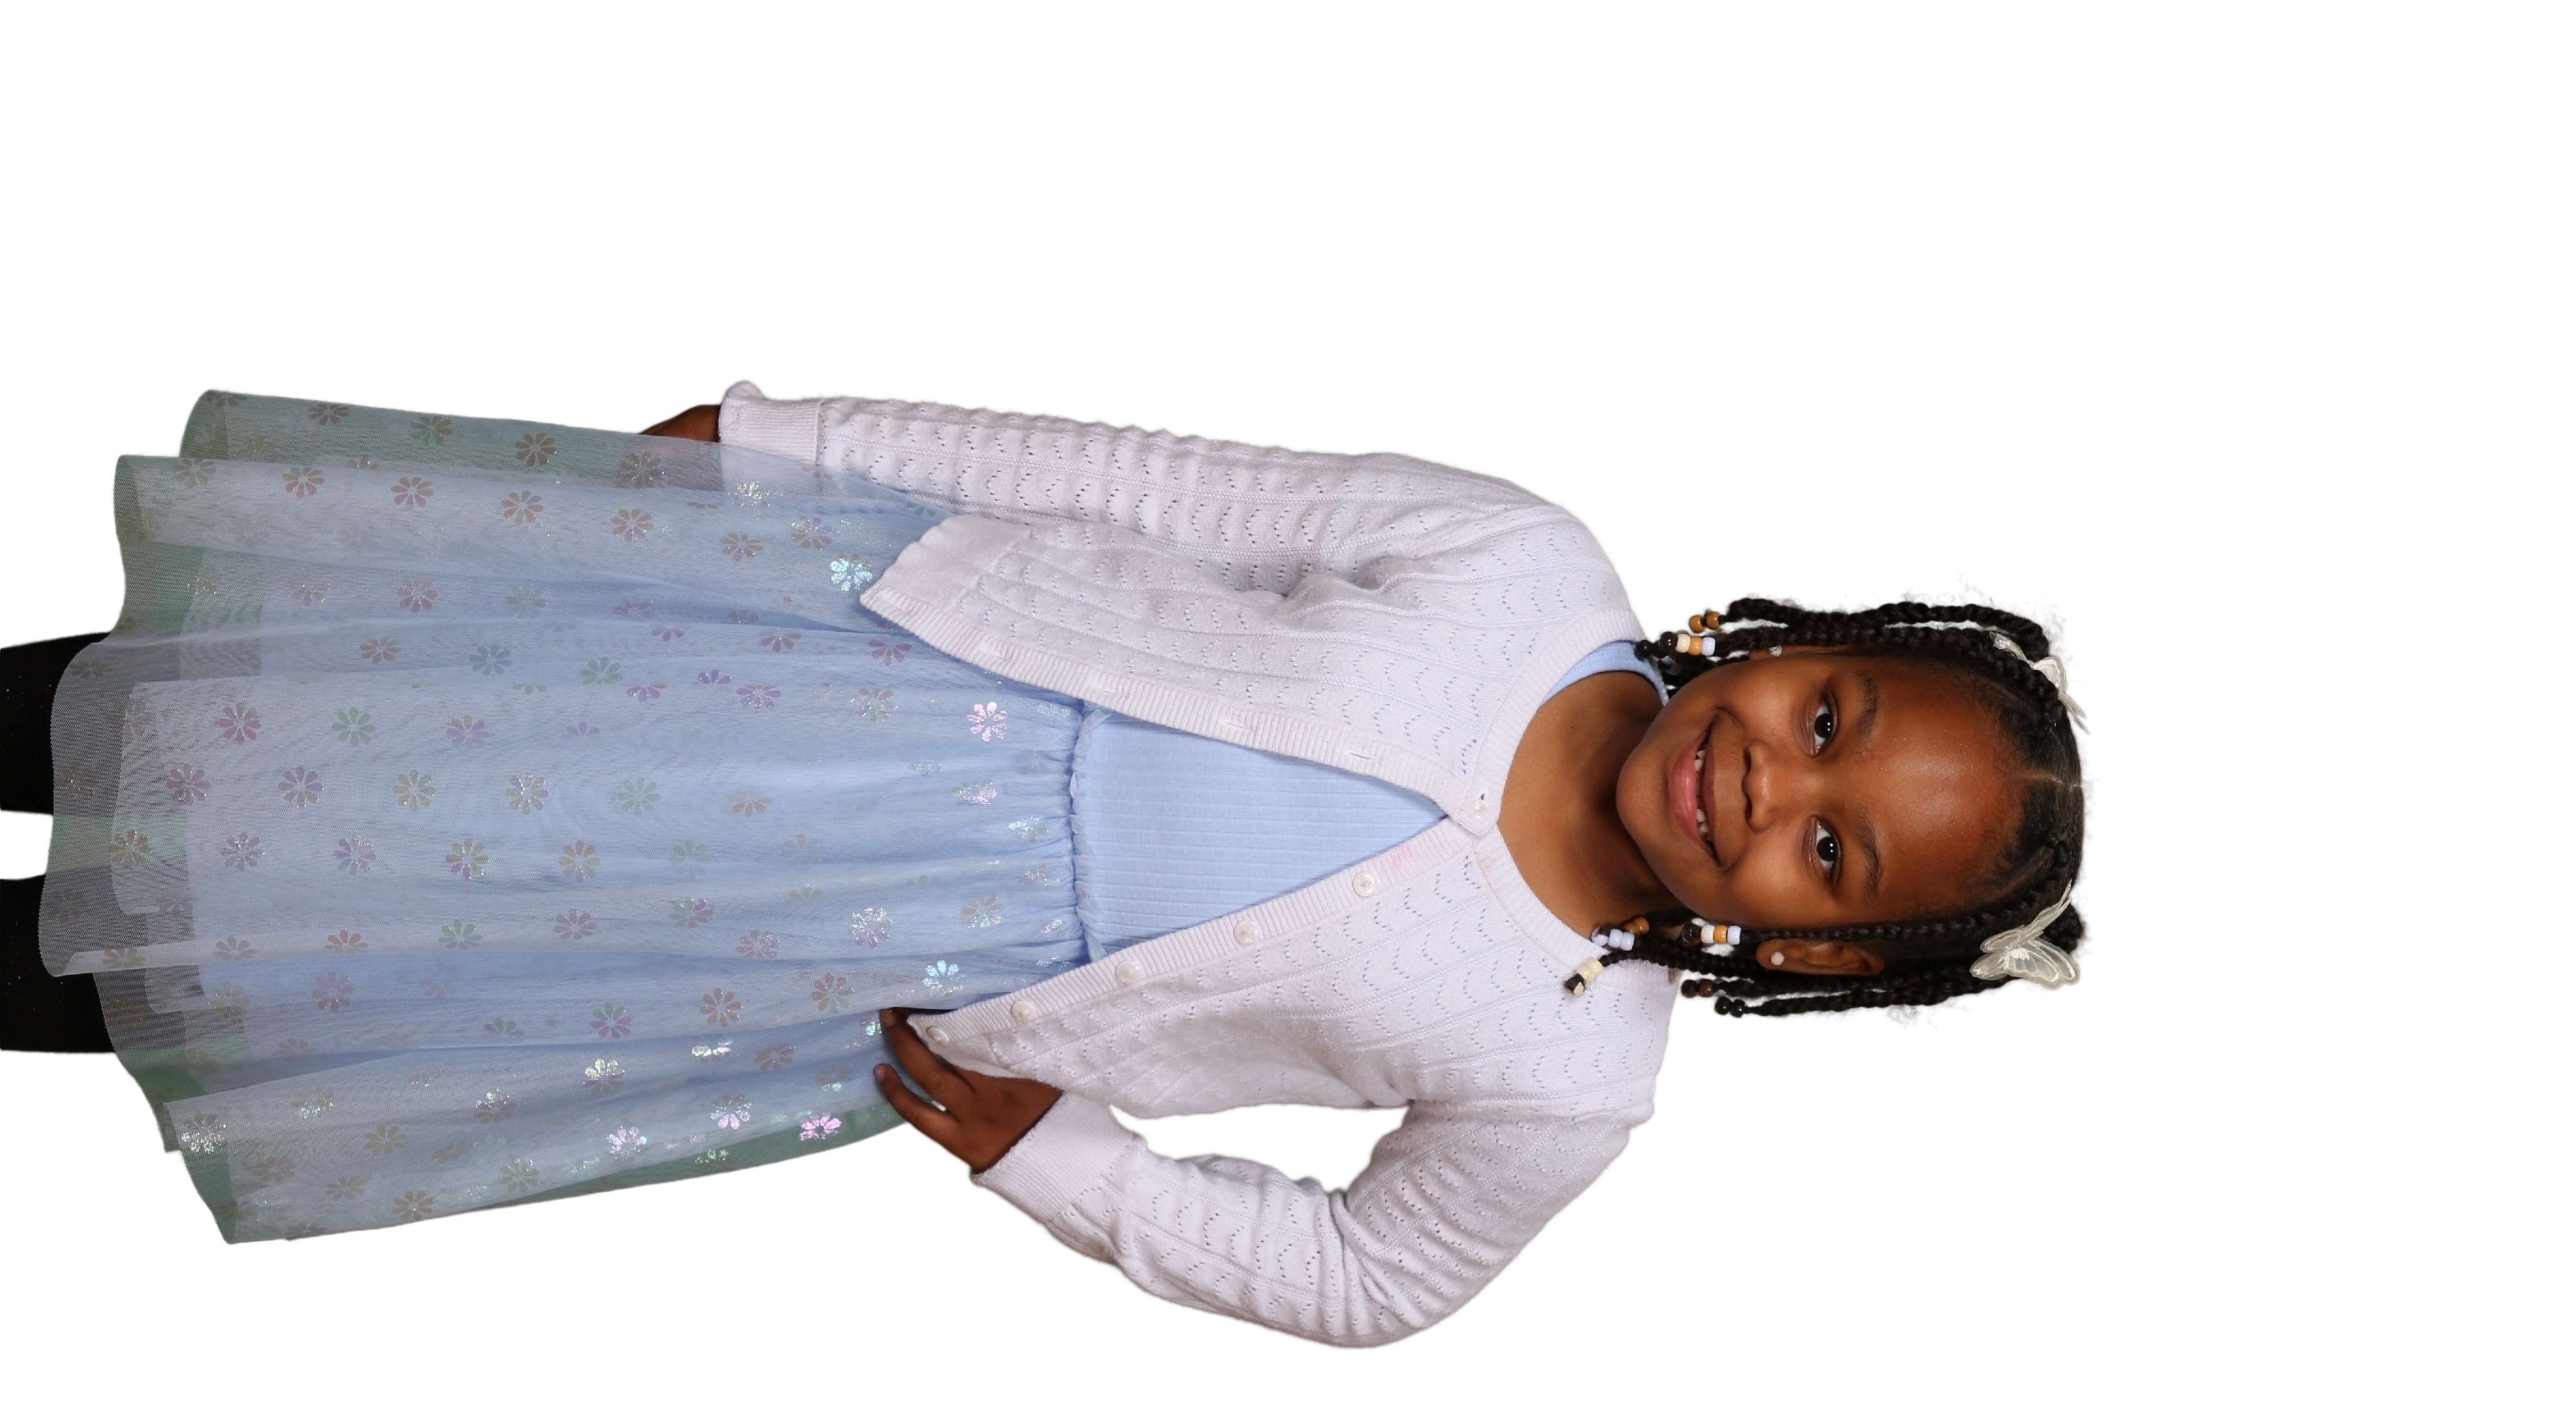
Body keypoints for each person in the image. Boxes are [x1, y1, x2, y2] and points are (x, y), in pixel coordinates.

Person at [18, 382, 2095, 1347]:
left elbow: (1372, 1281)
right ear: (1799, 636)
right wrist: (786, 445)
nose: (1769, 783)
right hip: (835, 651)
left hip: (839, 941)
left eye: (1835, 852)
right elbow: (1137, 487)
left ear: (1826, 954)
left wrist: (1066, 1162)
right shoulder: (1525, 568)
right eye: (1830, 715)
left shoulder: (1570, 1073)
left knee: (387, 912)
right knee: (326, 704)